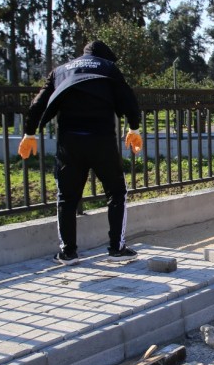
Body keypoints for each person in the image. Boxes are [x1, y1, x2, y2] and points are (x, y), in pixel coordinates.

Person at [18, 40, 144, 266]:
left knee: (66, 197)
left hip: (70, 143)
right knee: (116, 192)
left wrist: (29, 132)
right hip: (102, 141)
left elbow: (38, 103)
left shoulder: (60, 71)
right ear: (104, 57)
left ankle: (67, 253)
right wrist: (133, 127)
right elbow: (129, 100)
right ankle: (116, 248)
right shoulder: (108, 69)